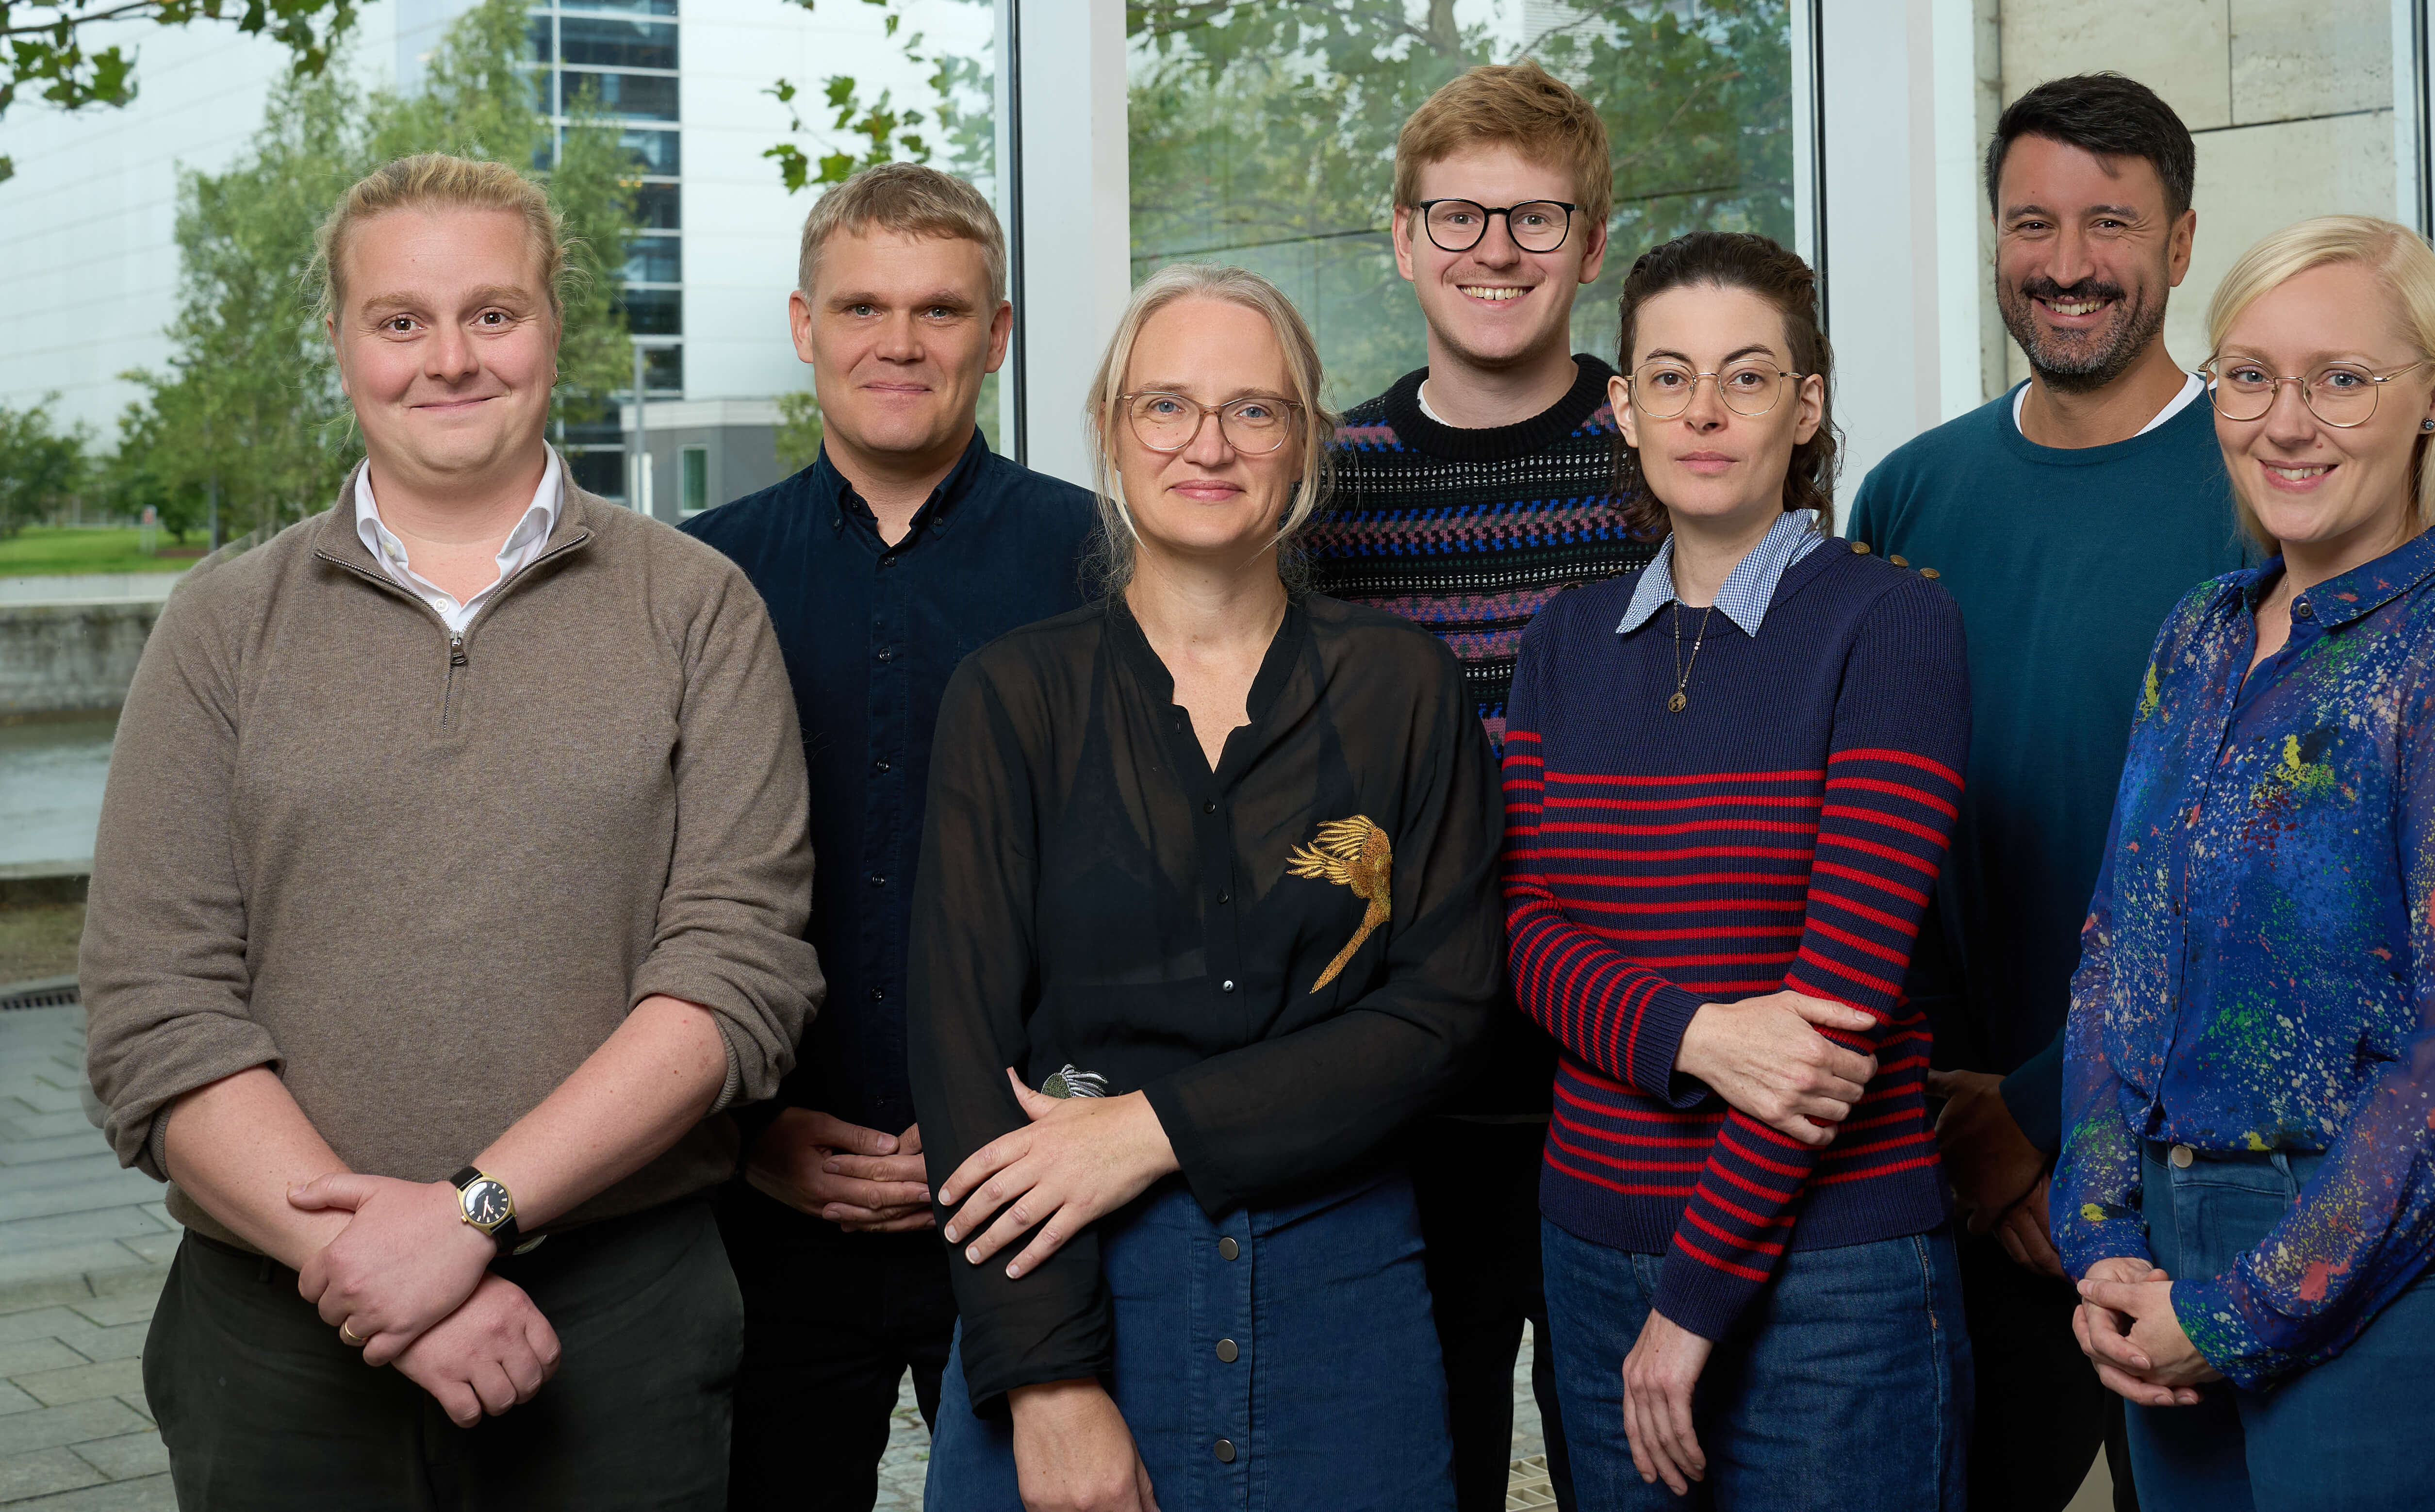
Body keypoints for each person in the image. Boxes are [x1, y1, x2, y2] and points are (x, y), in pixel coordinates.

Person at [80, 154, 823, 1509]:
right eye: (401, 319)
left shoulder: (697, 608)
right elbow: (154, 1006)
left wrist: (470, 1213)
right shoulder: (222, 626)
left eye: (493, 312)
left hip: (619, 1317)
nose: (449, 359)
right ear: (340, 341)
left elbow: (736, 974)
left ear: (554, 329)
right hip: (277, 1345)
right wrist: (389, 1278)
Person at [908, 265, 1505, 1512]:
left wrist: (1146, 1129)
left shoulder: (1404, 687)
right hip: (1060, 1266)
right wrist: (1051, 1387)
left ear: (1305, 445)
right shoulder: (1010, 697)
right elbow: (962, 1052)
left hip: (1345, 1288)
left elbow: (1442, 1013)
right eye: (1166, 406)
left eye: (1254, 410)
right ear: (1112, 434)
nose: (1209, 445)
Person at [2055, 216, 2435, 1509]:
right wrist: (2102, 1244)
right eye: (2246, 375)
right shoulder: (2195, 637)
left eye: (2340, 378)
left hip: (2408, 1315)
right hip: (2171, 1297)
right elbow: (2113, 965)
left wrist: (2244, 1308)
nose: (2284, 421)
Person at [1506, 231, 1971, 1510]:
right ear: (1623, 404)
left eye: (1747, 376)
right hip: (1591, 1247)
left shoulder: (1892, 625)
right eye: (1667, 376)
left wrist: (1694, 1299)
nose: (1703, 410)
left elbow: (1837, 1012)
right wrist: (1695, 1033)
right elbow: (1519, 929)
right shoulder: (1562, 640)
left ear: (1805, 404)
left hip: (1833, 1280)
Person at [1845, 71, 2252, 1509]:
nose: (2067, 263)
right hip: (1956, 1174)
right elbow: (1867, 838)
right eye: (2033, 221)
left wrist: (2049, 1114)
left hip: (2200, 1178)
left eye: (2109, 223)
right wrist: (1965, 1125)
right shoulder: (1906, 496)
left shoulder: (2263, 486)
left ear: (2183, 242)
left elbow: (2271, 880)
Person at [682, 163, 1094, 1509]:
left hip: (1032, 1202)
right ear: (805, 324)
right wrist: (739, 1135)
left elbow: (1151, 893)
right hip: (763, 1212)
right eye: (863, 306)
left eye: (938, 309)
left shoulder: (1104, 566)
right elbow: (638, 894)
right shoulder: (692, 582)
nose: (899, 342)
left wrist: (1017, 1127)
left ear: (998, 332)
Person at [1306, 61, 1655, 1510]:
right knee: (1412, 1468)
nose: (1494, 253)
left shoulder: (1664, 454)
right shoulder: (1325, 489)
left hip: (1629, 1079)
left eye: (1533, 218)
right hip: (1402, 1095)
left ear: (1591, 242)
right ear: (1399, 238)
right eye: (1456, 216)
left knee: (1640, 1469)